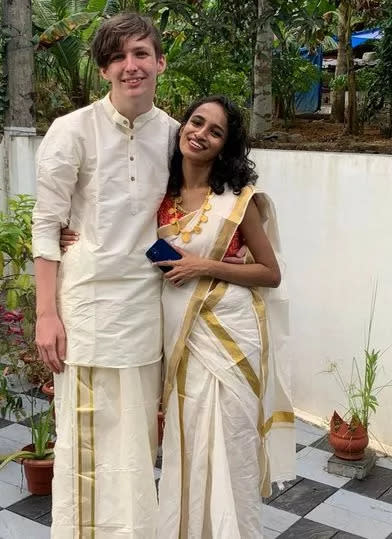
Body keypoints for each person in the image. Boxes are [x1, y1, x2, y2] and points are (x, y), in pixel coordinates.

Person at [31, 13, 179, 538]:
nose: (130, 66)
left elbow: (186, 216)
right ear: (103, 71)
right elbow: (46, 227)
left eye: (140, 54)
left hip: (147, 307)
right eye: (118, 57)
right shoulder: (71, 131)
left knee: (139, 439)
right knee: (84, 440)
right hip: (87, 309)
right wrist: (46, 315)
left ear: (160, 62)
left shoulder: (175, 137)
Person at [153, 96, 296, 538]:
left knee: (230, 448)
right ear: (182, 128)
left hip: (230, 338)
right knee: (189, 445)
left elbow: (270, 273)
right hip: (182, 337)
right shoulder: (158, 193)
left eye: (215, 131)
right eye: (196, 122)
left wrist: (205, 266)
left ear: (223, 146)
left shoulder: (237, 200)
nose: (201, 133)